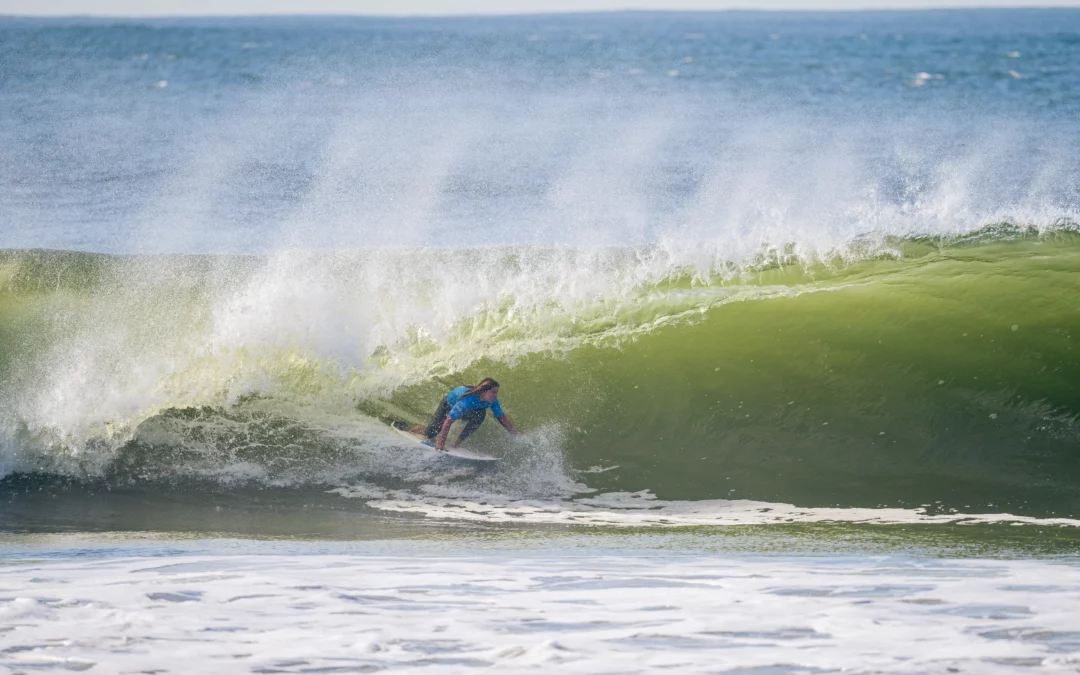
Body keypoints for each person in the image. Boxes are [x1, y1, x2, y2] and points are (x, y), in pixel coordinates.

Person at [411, 378, 519, 452]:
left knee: (481, 415)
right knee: (430, 434)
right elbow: (449, 420)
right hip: (449, 405)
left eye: (496, 392)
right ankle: (415, 429)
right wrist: (440, 444)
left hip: (470, 411)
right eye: (494, 392)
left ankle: (456, 443)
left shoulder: (491, 400)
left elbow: (501, 417)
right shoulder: (467, 400)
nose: (496, 395)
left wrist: (515, 434)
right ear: (485, 391)